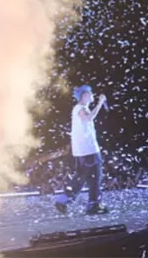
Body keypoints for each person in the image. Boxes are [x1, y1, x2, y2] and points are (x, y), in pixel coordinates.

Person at [54, 84, 108, 215]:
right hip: (88, 150)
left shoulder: (80, 108)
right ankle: (92, 205)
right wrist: (100, 103)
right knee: (93, 177)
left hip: (84, 151)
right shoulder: (80, 108)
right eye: (90, 93)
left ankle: (65, 200)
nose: (92, 95)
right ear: (84, 96)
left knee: (83, 177)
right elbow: (89, 117)